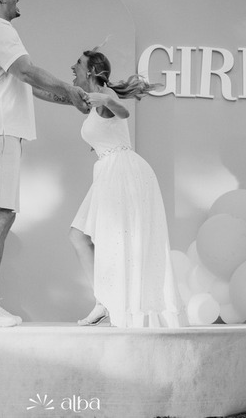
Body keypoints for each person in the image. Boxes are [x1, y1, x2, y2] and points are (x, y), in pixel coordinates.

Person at [0, 0, 91, 327]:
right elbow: (28, 72)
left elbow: (27, 86)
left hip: (0, 132)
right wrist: (69, 87)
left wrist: (73, 99)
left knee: (3, 214)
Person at [60, 49, 182, 328]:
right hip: (108, 170)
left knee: (110, 239)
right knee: (79, 236)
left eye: (77, 64)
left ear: (91, 71)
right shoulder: (91, 101)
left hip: (121, 171)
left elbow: (123, 111)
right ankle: (104, 301)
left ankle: (112, 304)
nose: (72, 66)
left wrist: (105, 99)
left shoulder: (104, 96)